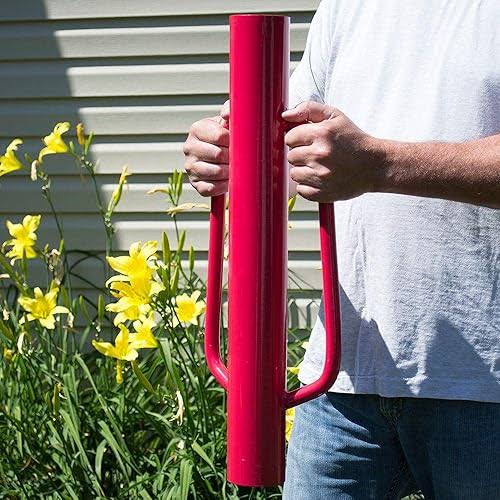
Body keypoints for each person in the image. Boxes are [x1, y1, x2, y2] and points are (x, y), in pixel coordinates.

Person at [183, 1, 500, 498]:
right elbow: (287, 152)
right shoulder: (348, 7)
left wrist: (380, 165)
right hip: (343, 384)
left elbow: (359, 161)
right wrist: (225, 153)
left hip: (486, 385)